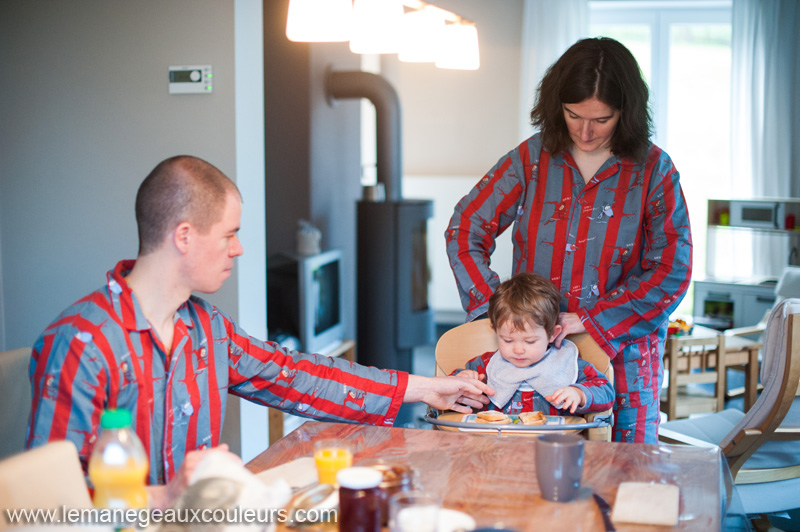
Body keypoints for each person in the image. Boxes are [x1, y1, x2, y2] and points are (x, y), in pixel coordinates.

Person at [27, 155, 493, 508]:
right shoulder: (83, 341)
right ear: (184, 236)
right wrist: (166, 496)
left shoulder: (204, 326)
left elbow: (297, 375)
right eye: (229, 234)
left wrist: (428, 389)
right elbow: (48, 503)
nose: (239, 248)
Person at [445, 37, 692, 443]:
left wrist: (592, 320)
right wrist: (499, 310)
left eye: (602, 119)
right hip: (528, 354)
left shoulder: (655, 171)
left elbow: (671, 270)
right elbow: (465, 228)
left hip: (625, 352)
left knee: (625, 474)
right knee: (521, 468)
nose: (586, 131)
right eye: (574, 115)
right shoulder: (531, 158)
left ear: (626, 113)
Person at [454, 273, 613, 416]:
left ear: (553, 334)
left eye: (530, 341)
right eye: (507, 340)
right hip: (498, 444)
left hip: (551, 446)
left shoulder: (567, 364)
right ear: (495, 332)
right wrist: (461, 380)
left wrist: (580, 394)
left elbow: (605, 391)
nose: (518, 350)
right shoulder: (485, 366)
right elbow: (449, 390)